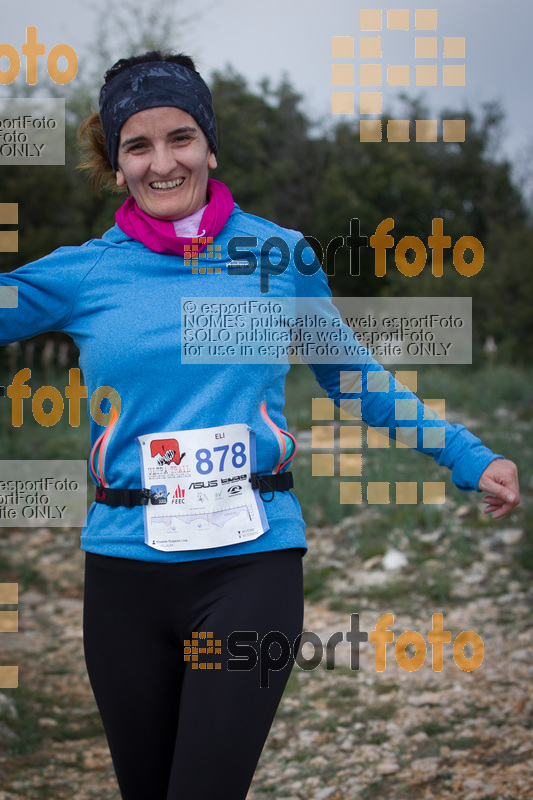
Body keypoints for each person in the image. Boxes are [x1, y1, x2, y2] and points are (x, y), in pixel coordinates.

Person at [0, 51, 520, 800]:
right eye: (136, 147)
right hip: (123, 572)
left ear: (209, 146)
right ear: (116, 168)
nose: (161, 162)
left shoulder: (279, 257)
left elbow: (354, 377)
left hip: (249, 563)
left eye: (179, 137)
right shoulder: (85, 274)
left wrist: (467, 456)